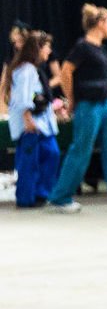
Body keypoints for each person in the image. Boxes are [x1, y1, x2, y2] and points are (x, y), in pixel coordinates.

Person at [48, 4, 107, 214]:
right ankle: (60, 197)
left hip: (106, 103)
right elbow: (66, 72)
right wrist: (72, 99)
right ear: (100, 23)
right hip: (88, 105)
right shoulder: (82, 47)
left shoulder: (100, 48)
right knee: (81, 150)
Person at [7, 30, 59, 207]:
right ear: (38, 49)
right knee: (29, 162)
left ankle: (41, 193)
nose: (49, 51)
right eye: (47, 47)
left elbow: (39, 95)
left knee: (51, 153)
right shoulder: (25, 70)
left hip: (42, 123)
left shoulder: (35, 70)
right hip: (30, 125)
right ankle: (26, 197)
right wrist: (27, 117)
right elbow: (22, 97)